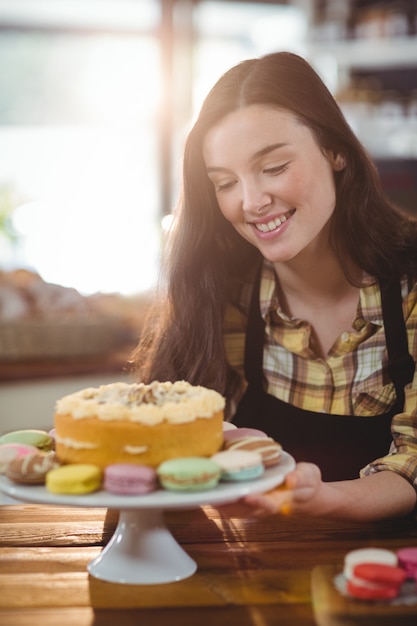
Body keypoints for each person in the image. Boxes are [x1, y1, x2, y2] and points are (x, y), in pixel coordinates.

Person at [132, 51, 417, 522]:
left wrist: (322, 498)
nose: (251, 202)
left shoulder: (408, 285)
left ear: (335, 150)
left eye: (275, 167)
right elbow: (162, 440)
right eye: (224, 182)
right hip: (253, 570)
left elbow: (413, 461)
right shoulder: (221, 291)